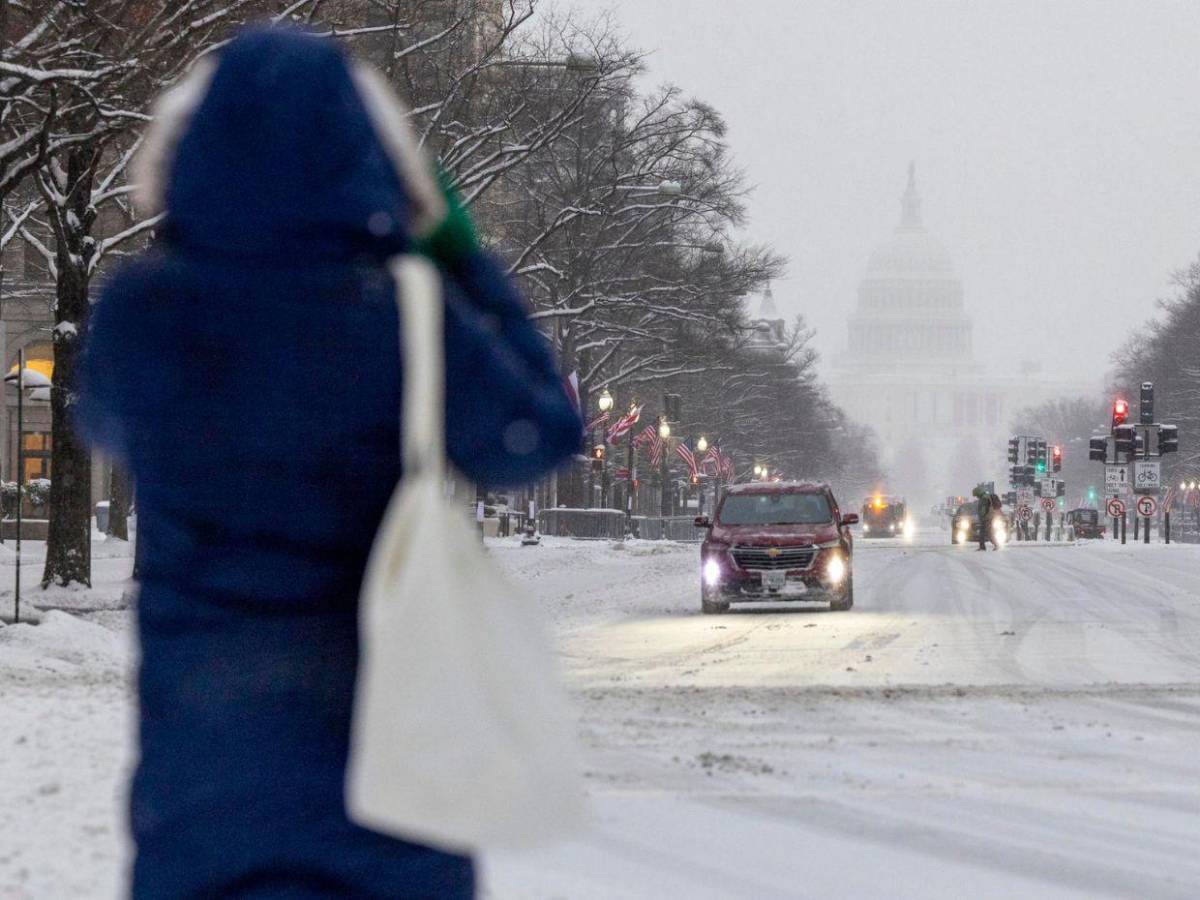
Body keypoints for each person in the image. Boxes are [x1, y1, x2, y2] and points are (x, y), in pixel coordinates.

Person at [78, 27, 581, 899]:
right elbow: (537, 433)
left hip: (203, 793)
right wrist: (458, 254)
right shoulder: (405, 313)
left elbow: (107, 426)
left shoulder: (141, 313)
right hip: (389, 783)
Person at [974, 486, 993, 551]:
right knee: (986, 532)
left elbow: (983, 509)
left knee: (984, 533)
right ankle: (983, 546)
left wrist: (982, 516)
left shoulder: (983, 498)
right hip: (986, 517)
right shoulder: (985, 497)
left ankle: (983, 547)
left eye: (976, 495)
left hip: (985, 518)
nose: (976, 497)